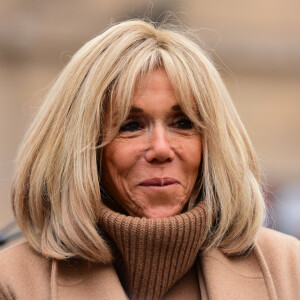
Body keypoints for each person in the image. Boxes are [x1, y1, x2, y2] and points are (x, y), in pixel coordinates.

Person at [0, 19, 299, 300]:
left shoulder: (288, 271)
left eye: (183, 123)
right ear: (82, 149)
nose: (161, 149)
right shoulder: (11, 282)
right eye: (131, 125)